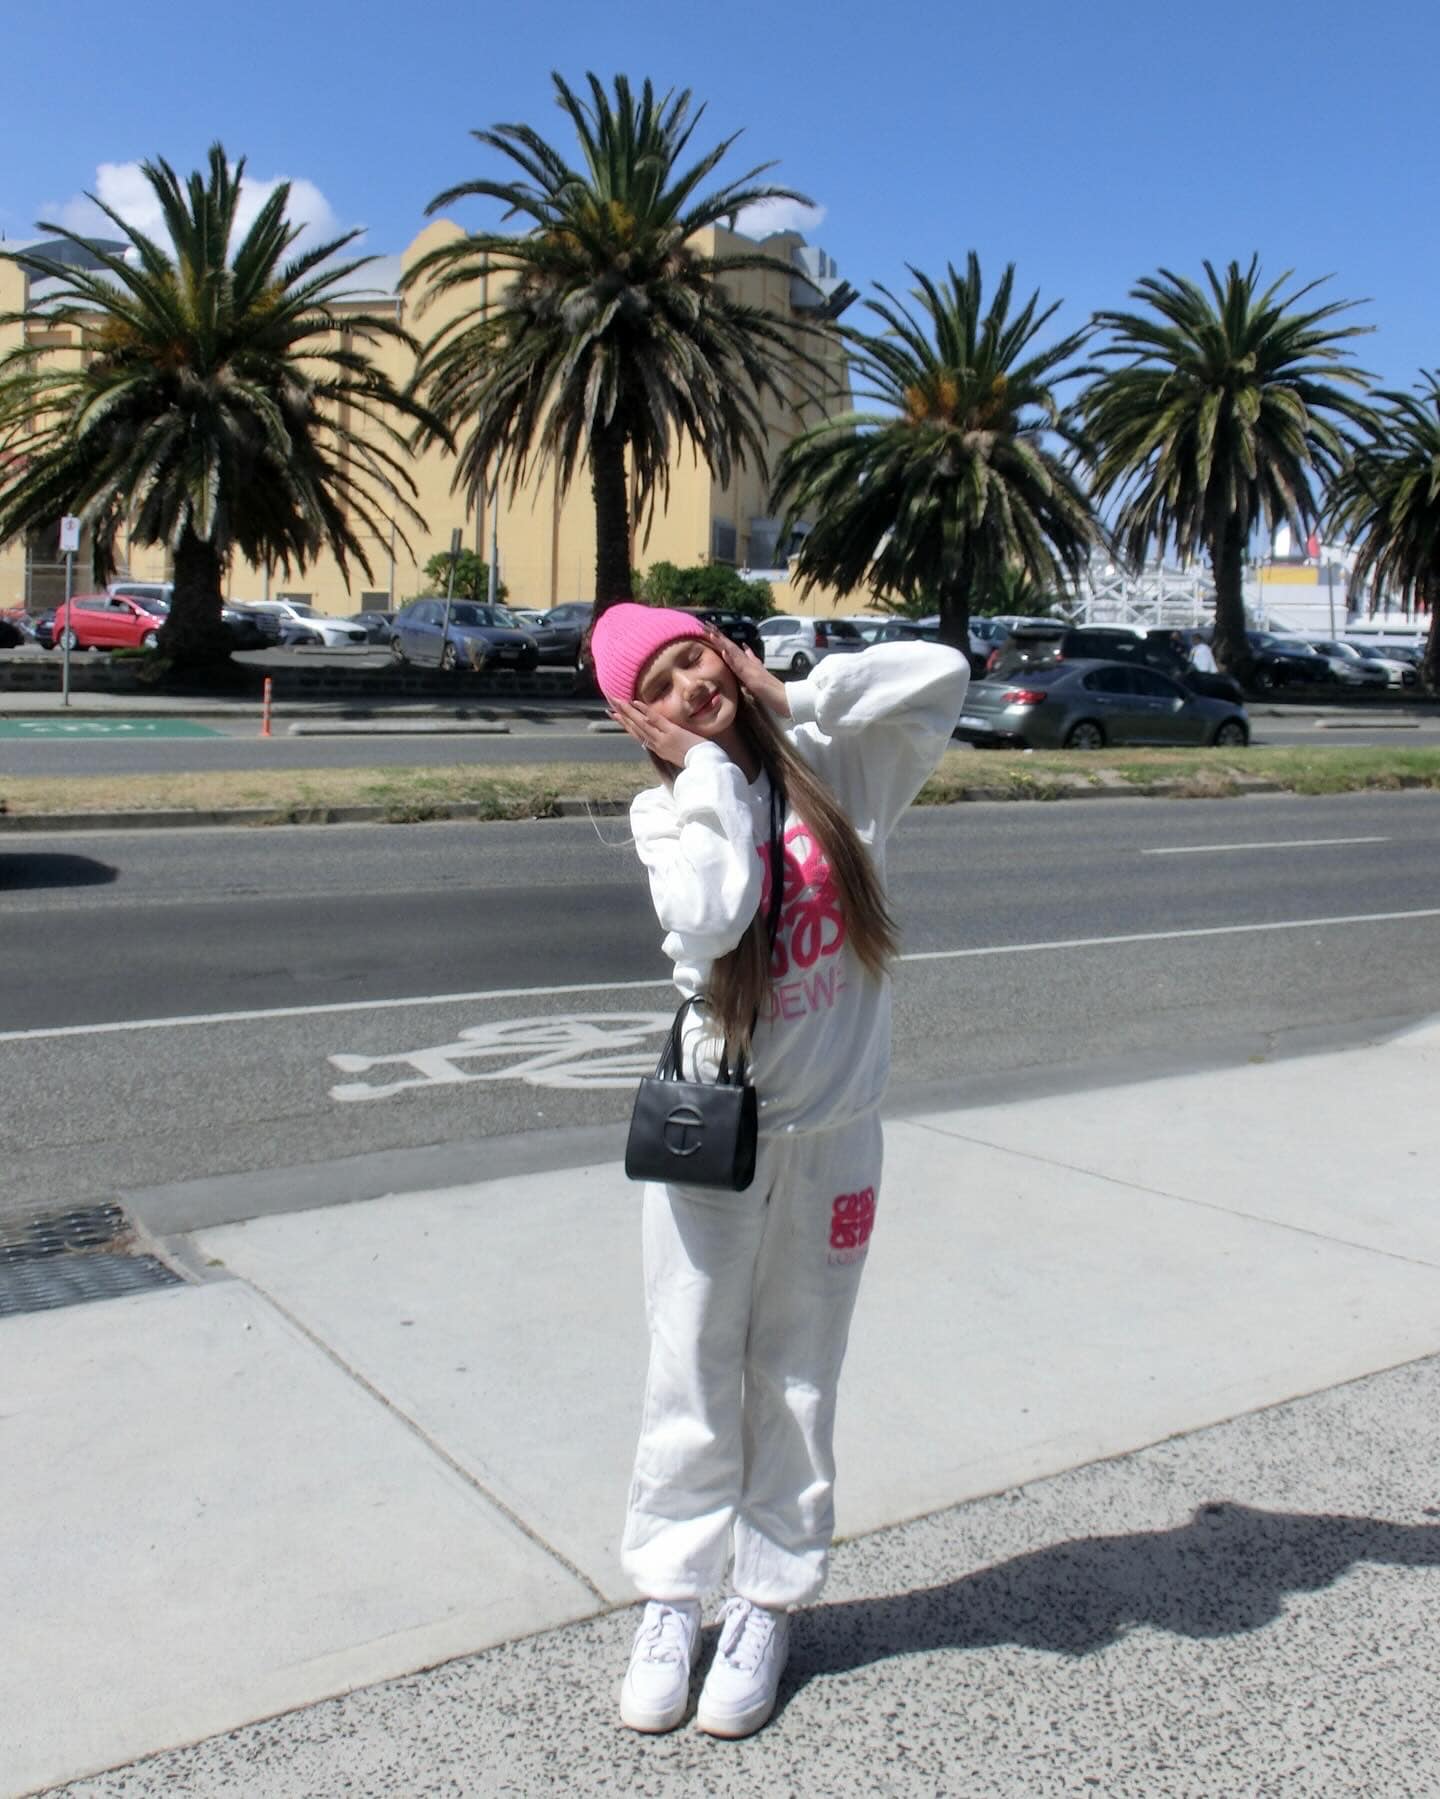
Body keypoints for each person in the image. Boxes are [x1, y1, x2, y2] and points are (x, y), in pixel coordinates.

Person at [590, 602, 969, 1740]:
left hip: (836, 1138)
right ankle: (672, 1597)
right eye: (661, 684)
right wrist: (709, 772)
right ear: (637, 719)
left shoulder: (836, 768)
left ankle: (765, 1600)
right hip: (719, 1139)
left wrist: (790, 695)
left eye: (694, 655)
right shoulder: (664, 813)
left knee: (799, 1376)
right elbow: (714, 915)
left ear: (725, 649)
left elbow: (942, 673)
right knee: (691, 1364)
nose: (691, 685)